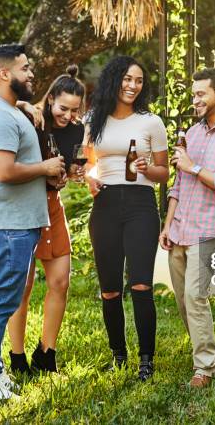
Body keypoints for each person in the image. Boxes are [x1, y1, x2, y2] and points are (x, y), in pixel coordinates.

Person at [0, 43, 64, 402]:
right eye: (25, 68)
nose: (32, 73)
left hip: (17, 224)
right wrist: (46, 167)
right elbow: (4, 171)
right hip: (5, 226)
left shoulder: (7, 110)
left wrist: (47, 176)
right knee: (0, 301)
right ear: (5, 73)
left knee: (4, 299)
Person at [159, 67, 215, 388]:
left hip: (209, 227)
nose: (194, 99)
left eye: (201, 94)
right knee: (184, 302)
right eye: (193, 94)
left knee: (196, 296)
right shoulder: (192, 133)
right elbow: (178, 185)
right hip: (180, 226)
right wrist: (167, 225)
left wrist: (193, 166)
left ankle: (204, 369)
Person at [84, 55, 169, 381]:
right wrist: (90, 177)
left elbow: (164, 173)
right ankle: (118, 354)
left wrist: (150, 169)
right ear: (114, 79)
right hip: (105, 205)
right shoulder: (95, 119)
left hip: (140, 206)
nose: (133, 86)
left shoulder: (151, 122)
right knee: (109, 289)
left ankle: (146, 360)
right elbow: (88, 162)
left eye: (138, 81)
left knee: (141, 284)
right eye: (127, 79)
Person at [6, 65, 86, 375]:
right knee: (22, 286)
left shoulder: (77, 129)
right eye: (63, 107)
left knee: (60, 282)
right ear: (50, 98)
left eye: (74, 110)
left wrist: (73, 173)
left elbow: (68, 168)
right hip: (24, 207)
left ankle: (46, 353)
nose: (68, 115)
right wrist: (24, 103)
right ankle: (17, 356)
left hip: (52, 206)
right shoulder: (29, 117)